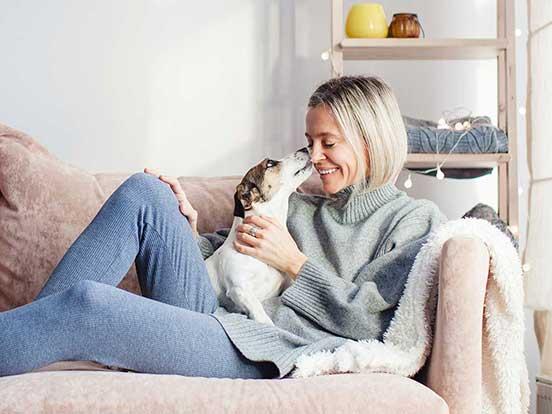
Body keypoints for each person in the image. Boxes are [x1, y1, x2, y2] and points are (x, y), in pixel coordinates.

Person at [0, 76, 446, 379]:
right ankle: (29, 346)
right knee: (146, 193)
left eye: (328, 143)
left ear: (372, 141)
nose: (314, 155)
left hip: (267, 348)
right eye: (310, 142)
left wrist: (293, 262)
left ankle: (29, 343)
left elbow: (374, 321)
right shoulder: (297, 205)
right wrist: (184, 229)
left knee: (87, 305)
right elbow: (219, 262)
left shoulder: (412, 220)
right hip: (217, 317)